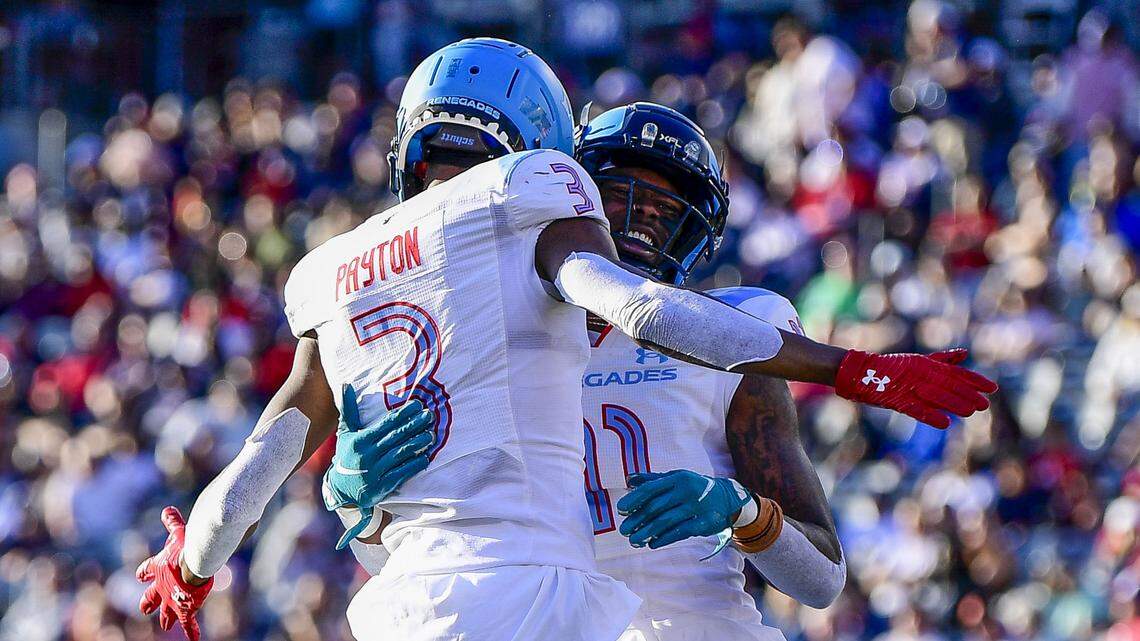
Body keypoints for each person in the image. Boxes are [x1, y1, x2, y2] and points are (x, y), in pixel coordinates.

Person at [135, 39, 995, 641]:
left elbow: (822, 581)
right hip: (548, 611)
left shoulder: (736, 333)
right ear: (568, 182)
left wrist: (744, 513)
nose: (634, 224)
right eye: (616, 196)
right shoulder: (497, 321)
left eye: (665, 211)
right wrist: (358, 511)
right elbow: (435, 527)